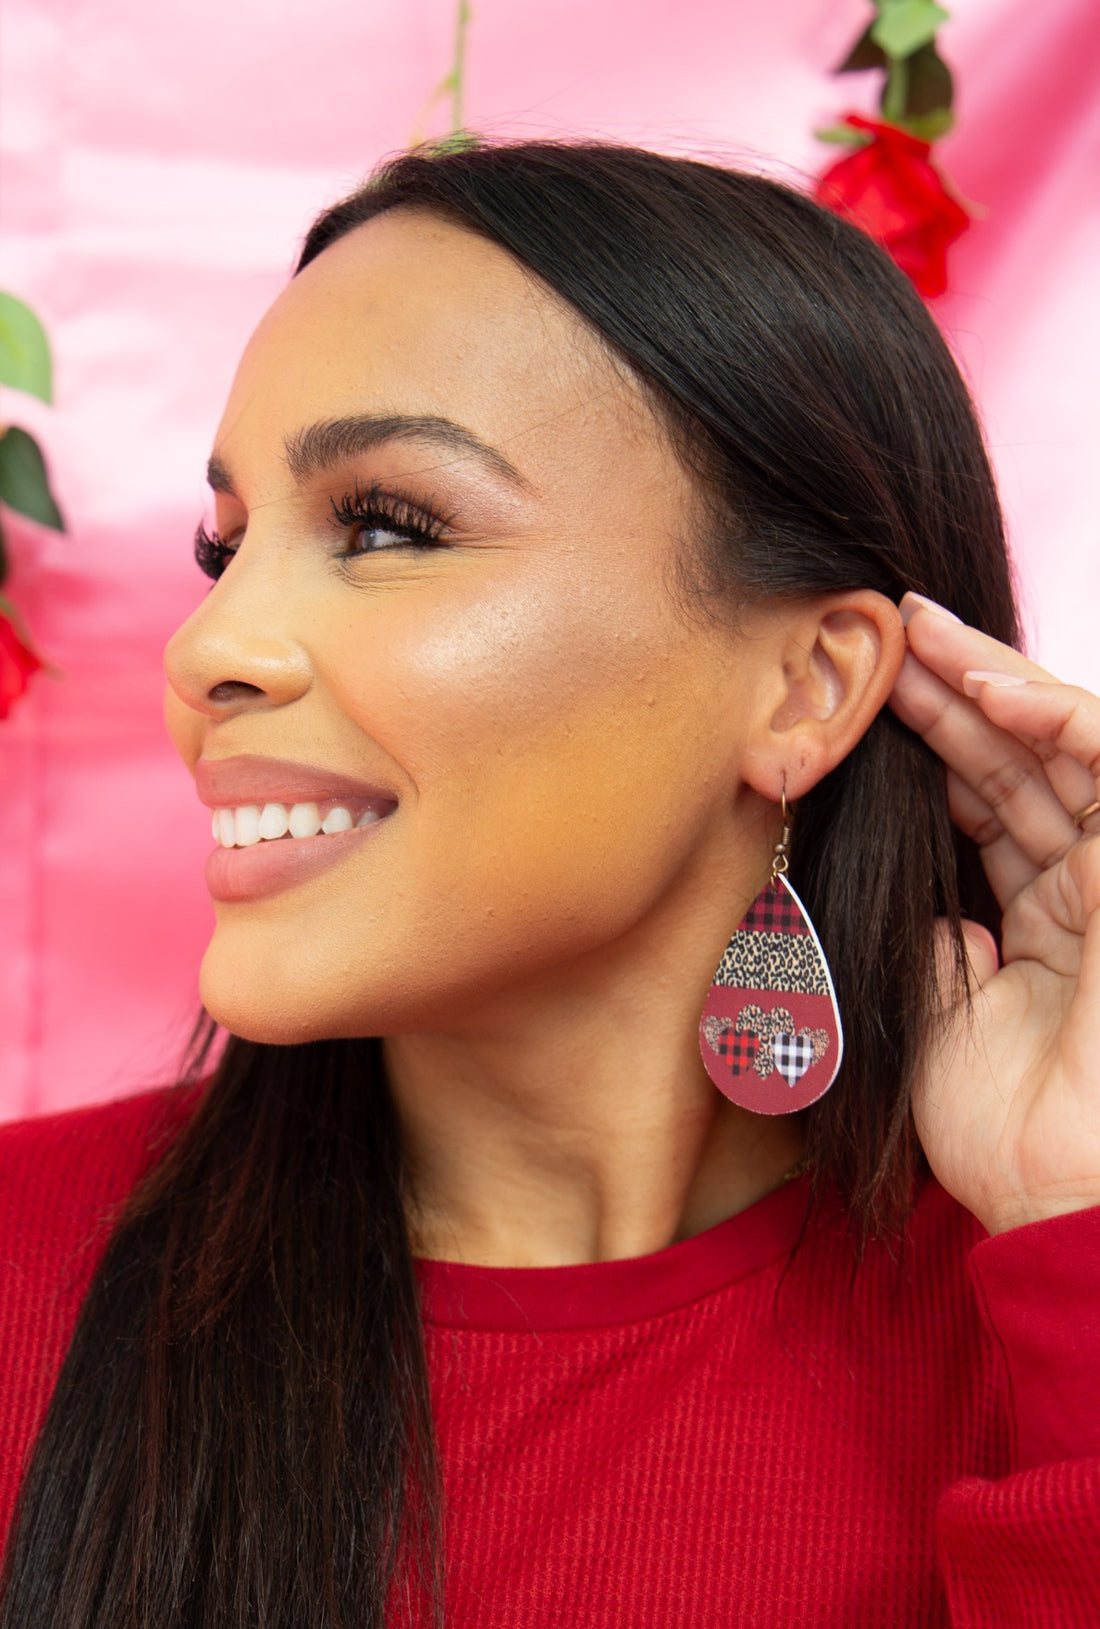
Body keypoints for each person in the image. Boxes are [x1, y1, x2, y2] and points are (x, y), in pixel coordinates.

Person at [0, 139, 1097, 1628]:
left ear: (804, 684)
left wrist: (1073, 1221)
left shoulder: (1035, 1311)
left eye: (388, 526)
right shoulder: (26, 1269)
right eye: (227, 544)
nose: (208, 650)